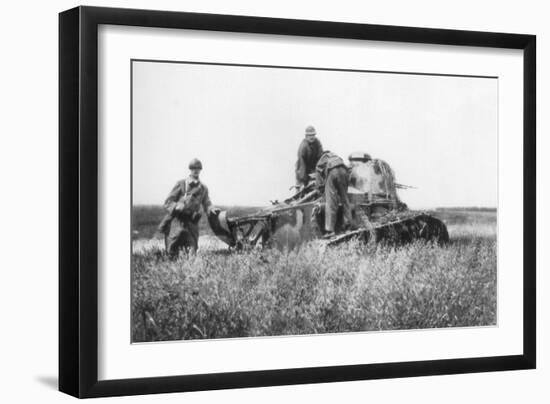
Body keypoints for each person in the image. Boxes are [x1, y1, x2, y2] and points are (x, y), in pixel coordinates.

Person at [158, 158, 220, 257]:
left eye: (198, 168)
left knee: (192, 254)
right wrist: (176, 206)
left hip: (192, 225)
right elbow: (168, 202)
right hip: (177, 223)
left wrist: (211, 208)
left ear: (200, 170)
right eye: (193, 168)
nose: (196, 170)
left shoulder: (203, 188)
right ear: (190, 169)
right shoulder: (181, 184)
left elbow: (207, 202)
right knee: (171, 254)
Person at [315, 150, 353, 237]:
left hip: (332, 172)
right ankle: (348, 227)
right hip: (344, 172)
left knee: (331, 202)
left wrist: (321, 191)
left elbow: (319, 184)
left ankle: (330, 230)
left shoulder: (320, 161)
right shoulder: (335, 156)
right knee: (345, 200)